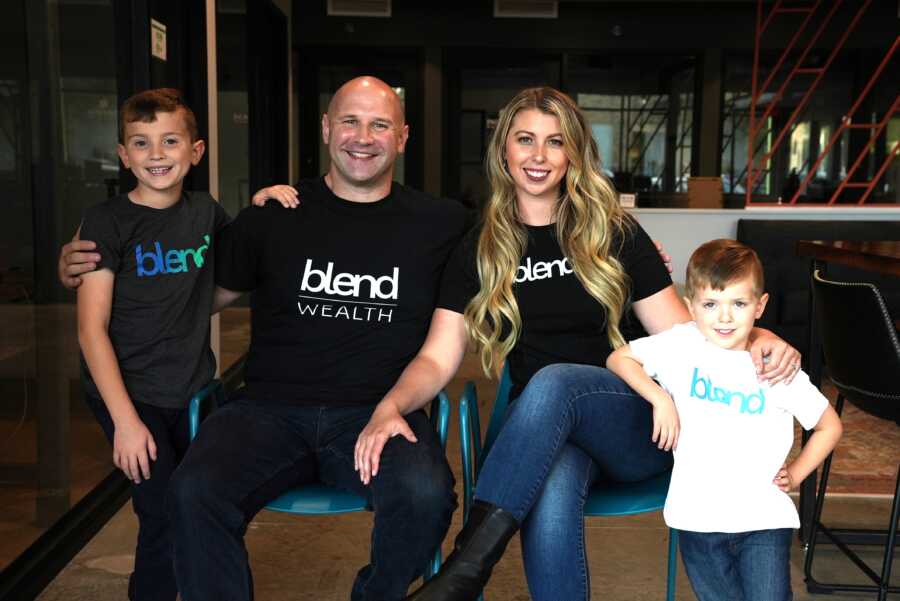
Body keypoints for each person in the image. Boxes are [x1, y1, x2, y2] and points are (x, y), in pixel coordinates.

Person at [395, 87, 801, 601]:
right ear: (504, 150)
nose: (539, 156)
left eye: (555, 142)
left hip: (635, 421)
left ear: (573, 155)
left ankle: (464, 571)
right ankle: (465, 577)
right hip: (542, 431)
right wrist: (392, 404)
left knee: (555, 380)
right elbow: (438, 355)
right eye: (525, 140)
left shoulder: (614, 233)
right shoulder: (479, 247)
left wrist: (760, 333)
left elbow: (687, 337)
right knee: (554, 478)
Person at [607, 239, 842, 601]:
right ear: (691, 306)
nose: (725, 317)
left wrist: (795, 473)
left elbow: (829, 425)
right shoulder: (680, 345)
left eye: (739, 303)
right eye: (711, 304)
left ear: (760, 306)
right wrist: (660, 398)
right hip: (697, 519)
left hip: (763, 519)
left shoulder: (774, 364)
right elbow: (619, 359)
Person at [76, 88, 228, 601]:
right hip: (129, 392)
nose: (157, 154)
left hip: (191, 389)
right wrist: (125, 421)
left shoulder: (207, 212)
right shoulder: (106, 222)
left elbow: (231, 276)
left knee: (201, 503)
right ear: (123, 155)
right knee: (160, 509)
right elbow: (90, 329)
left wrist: (267, 204)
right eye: (141, 143)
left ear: (196, 151)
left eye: (169, 141)